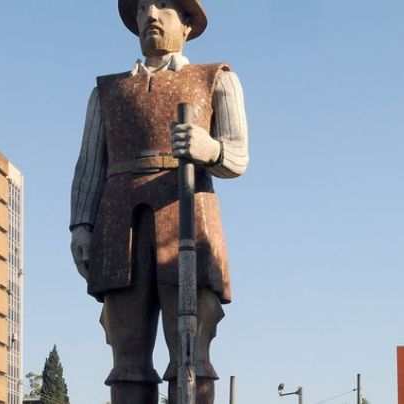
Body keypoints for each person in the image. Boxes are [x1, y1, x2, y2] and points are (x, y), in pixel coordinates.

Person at [69, 0, 249, 402]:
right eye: (143, 6)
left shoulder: (214, 79)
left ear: (187, 23)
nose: (151, 13)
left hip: (187, 215)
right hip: (119, 223)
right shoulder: (107, 92)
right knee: (126, 358)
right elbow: (89, 165)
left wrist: (210, 149)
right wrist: (81, 224)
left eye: (165, 5)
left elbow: (238, 156)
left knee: (191, 355)